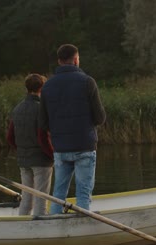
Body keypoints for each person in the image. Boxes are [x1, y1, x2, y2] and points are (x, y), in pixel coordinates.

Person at [39, 44, 106, 214]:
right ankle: (81, 228)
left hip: (60, 147)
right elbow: (100, 118)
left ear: (59, 61)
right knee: (83, 193)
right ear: (76, 60)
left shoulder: (47, 86)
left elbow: (43, 122)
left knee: (58, 194)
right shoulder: (87, 82)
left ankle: (54, 225)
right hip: (84, 145)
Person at [7, 73, 54, 216]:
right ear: (42, 88)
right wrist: (53, 155)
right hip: (41, 160)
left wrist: (21, 150)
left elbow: (10, 137)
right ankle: (40, 229)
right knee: (41, 197)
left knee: (26, 197)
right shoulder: (41, 109)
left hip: (23, 159)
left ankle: (23, 226)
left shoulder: (17, 109)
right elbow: (43, 138)